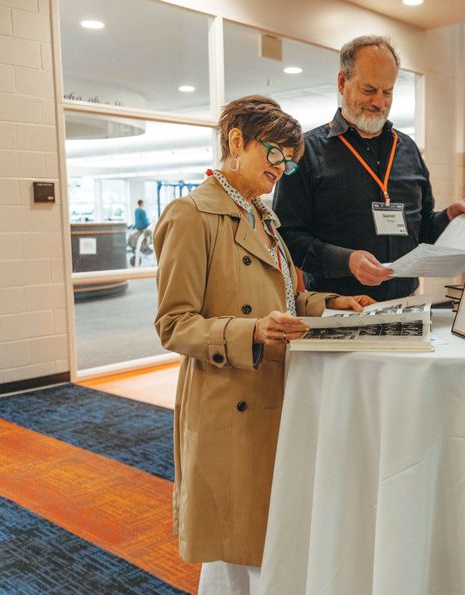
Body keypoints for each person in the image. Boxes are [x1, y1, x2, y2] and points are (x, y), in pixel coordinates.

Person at [153, 95, 374, 595]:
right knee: (233, 538)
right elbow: (174, 324)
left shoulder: (264, 217)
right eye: (276, 154)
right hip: (228, 397)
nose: (285, 168)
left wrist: (336, 302)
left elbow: (288, 298)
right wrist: (249, 332)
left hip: (274, 390)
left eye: (291, 160)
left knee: (268, 531)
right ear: (237, 141)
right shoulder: (191, 216)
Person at [273, 35, 465, 301]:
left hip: (406, 303)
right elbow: (286, 236)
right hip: (338, 309)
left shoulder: (407, 149)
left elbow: (421, 232)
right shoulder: (306, 151)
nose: (379, 102)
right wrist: (346, 261)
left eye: (388, 92)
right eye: (369, 90)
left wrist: (447, 218)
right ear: (342, 82)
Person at [128, 199, 153, 264]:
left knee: (140, 238)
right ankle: (146, 248)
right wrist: (149, 224)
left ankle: (144, 247)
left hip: (138, 227)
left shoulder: (136, 210)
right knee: (146, 235)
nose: (144, 204)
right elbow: (145, 221)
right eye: (143, 203)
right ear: (141, 204)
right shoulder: (142, 211)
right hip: (142, 227)